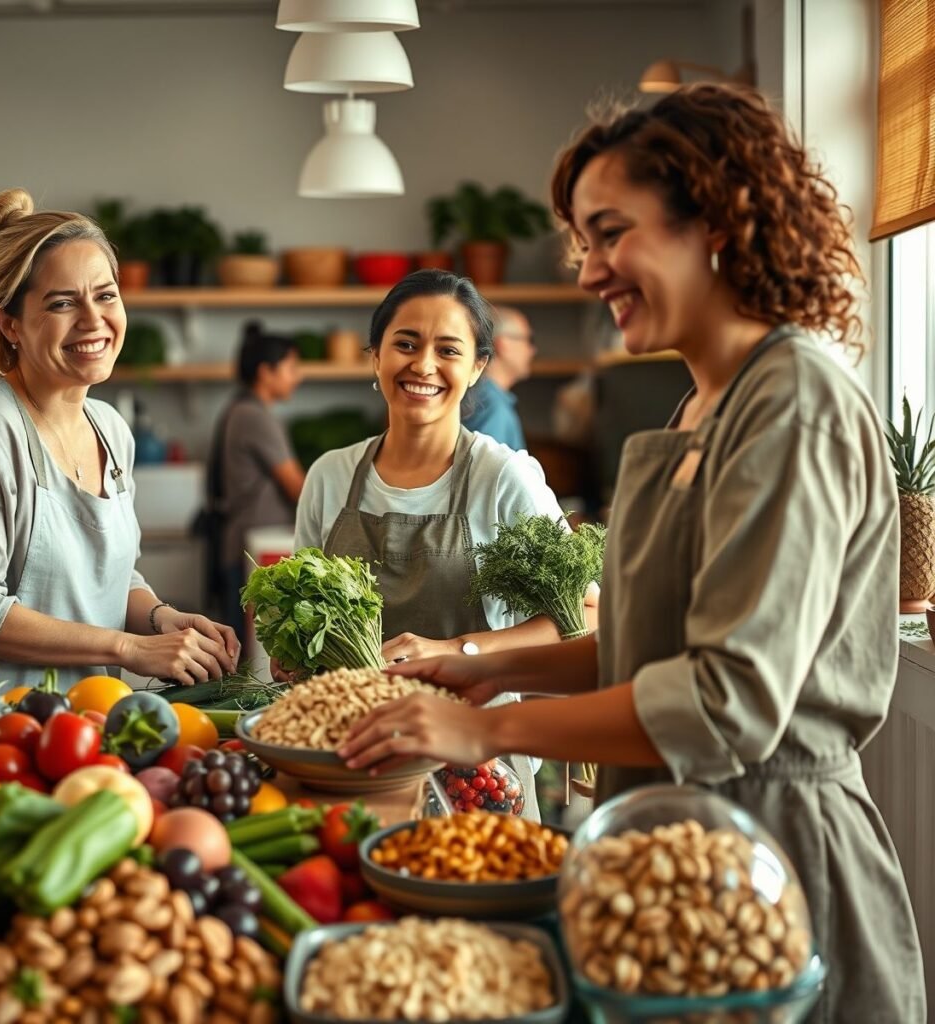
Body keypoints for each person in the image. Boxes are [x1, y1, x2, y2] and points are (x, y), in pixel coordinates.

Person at [338, 85, 926, 1021]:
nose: (589, 271)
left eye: (611, 233)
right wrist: (484, 669)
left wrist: (487, 729)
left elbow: (724, 702)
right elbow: (658, 649)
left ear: (718, 221)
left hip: (772, 866)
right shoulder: (701, 405)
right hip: (674, 850)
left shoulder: (793, 402)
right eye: (584, 241)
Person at [294, 268, 597, 816]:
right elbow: (298, 616)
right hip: (351, 758)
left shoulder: (504, 478)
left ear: (479, 365)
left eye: (448, 350)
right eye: (405, 344)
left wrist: (456, 652)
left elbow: (586, 614)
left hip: (481, 773)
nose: (423, 365)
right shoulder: (330, 477)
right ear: (375, 355)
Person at [0, 188, 239, 690]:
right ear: (8, 322)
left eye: (105, 294)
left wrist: (160, 619)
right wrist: (130, 648)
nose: (93, 320)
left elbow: (111, 580)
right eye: (63, 303)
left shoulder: (110, 428)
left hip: (82, 723)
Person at [207, 322, 304, 643]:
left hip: (248, 545)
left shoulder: (242, 409)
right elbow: (296, 486)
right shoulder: (254, 416)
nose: (297, 376)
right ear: (266, 371)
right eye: (291, 368)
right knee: (253, 657)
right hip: (253, 551)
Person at [461, 306, 534, 450]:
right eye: (528, 340)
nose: (532, 350)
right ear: (503, 344)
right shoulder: (491, 407)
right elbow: (483, 470)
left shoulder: (482, 398)